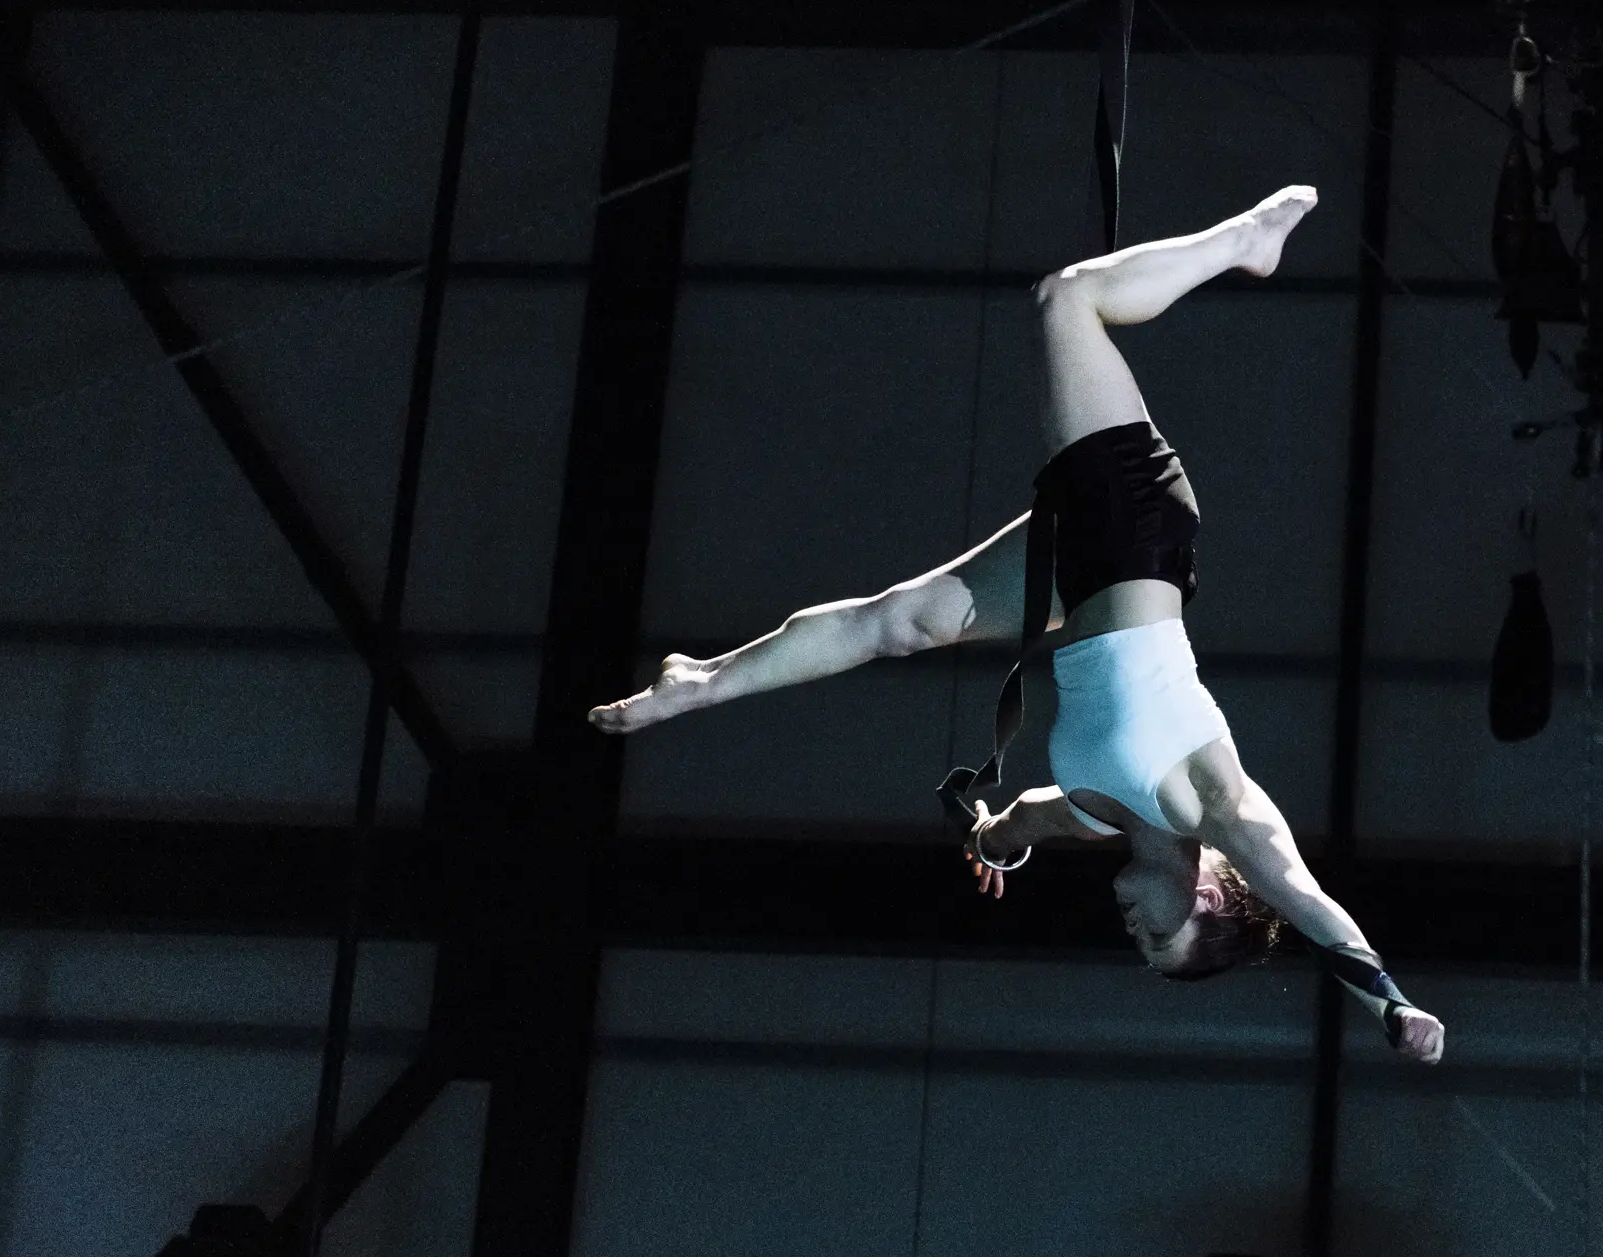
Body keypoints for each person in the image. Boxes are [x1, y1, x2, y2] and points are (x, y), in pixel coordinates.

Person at [590, 188, 1445, 1064]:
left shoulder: (1095, 818)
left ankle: (700, 683)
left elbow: (1017, 824)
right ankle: (1246, 242)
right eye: (1156, 937)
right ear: (1211, 900)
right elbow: (1309, 904)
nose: (1133, 930)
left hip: (1074, 578)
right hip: (1136, 536)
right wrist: (1391, 1006)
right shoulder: (1214, 805)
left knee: (899, 624)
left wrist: (992, 842)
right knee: (1066, 299)